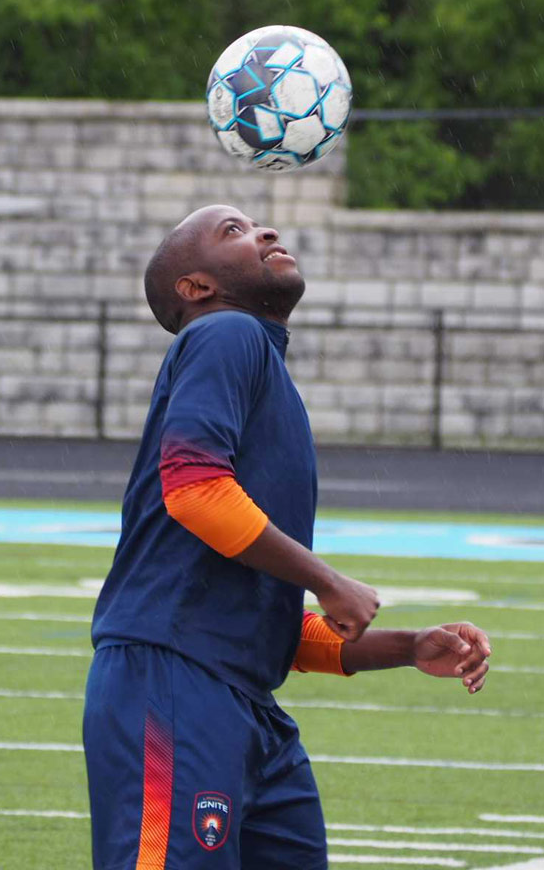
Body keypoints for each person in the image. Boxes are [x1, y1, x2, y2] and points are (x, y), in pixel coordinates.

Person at [83, 204, 491, 870]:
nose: (265, 232)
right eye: (233, 232)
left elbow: (266, 622)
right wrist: (328, 580)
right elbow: (193, 489)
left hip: (244, 704)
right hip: (172, 682)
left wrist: (407, 647)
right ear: (196, 289)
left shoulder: (261, 368)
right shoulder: (226, 334)